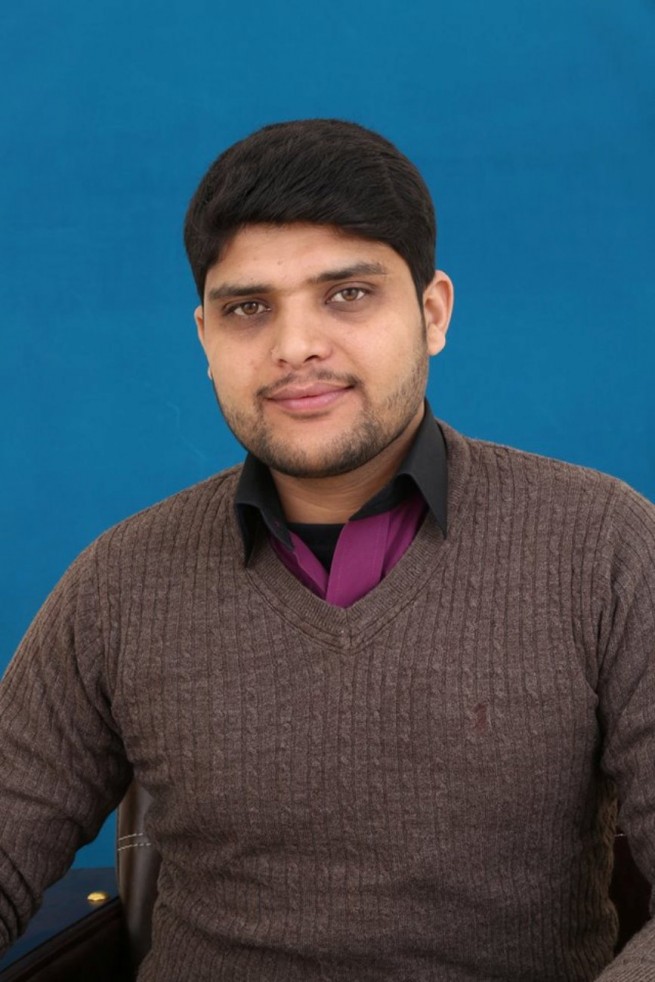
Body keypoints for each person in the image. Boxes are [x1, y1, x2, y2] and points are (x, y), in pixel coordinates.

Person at [0, 119, 654, 982]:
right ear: (204, 339)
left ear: (432, 313)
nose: (295, 346)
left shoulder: (602, 546)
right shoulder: (119, 583)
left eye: (346, 294)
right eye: (248, 308)